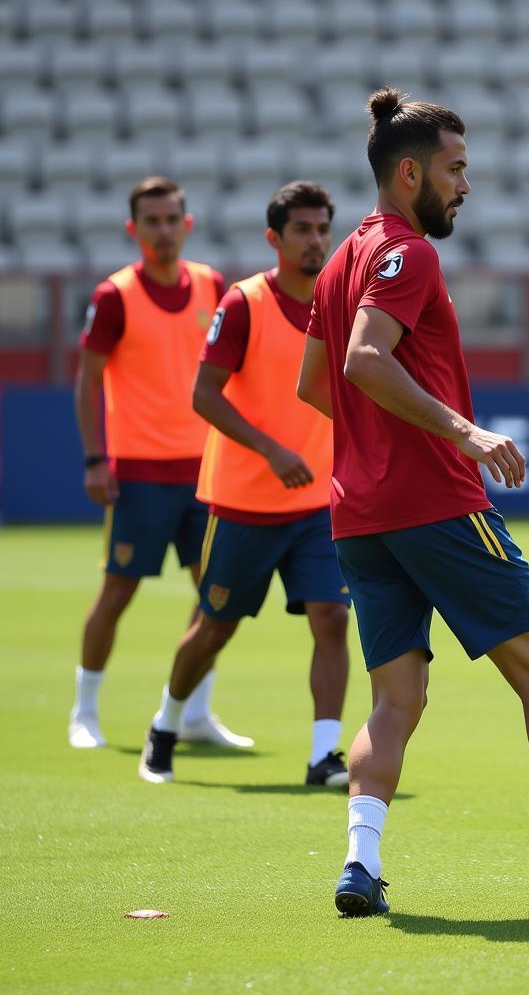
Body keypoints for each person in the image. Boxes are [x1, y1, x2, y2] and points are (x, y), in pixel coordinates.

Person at [296, 87, 529, 917]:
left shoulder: (344, 258)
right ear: (409, 171)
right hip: (438, 508)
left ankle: (360, 867)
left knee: (394, 700)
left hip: (362, 518)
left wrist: (376, 445)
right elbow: (362, 363)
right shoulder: (408, 255)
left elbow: (313, 384)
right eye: (454, 169)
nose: (465, 185)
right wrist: (464, 433)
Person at [139, 181, 352, 788]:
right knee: (214, 627)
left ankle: (323, 756)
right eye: (302, 231)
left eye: (321, 230)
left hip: (317, 503)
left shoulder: (338, 305)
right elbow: (203, 394)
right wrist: (272, 449)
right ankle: (166, 723)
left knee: (332, 619)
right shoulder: (243, 303)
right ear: (274, 239)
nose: (315, 241)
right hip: (243, 504)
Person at [71, 176, 249, 751]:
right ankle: (85, 711)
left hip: (206, 473)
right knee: (118, 591)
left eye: (173, 219)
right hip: (141, 473)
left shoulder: (211, 285)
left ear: (187, 224)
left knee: (214, 598)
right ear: (134, 229)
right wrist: (97, 459)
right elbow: (88, 380)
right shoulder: (114, 296)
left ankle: (195, 712)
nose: (164, 231)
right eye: (152, 221)